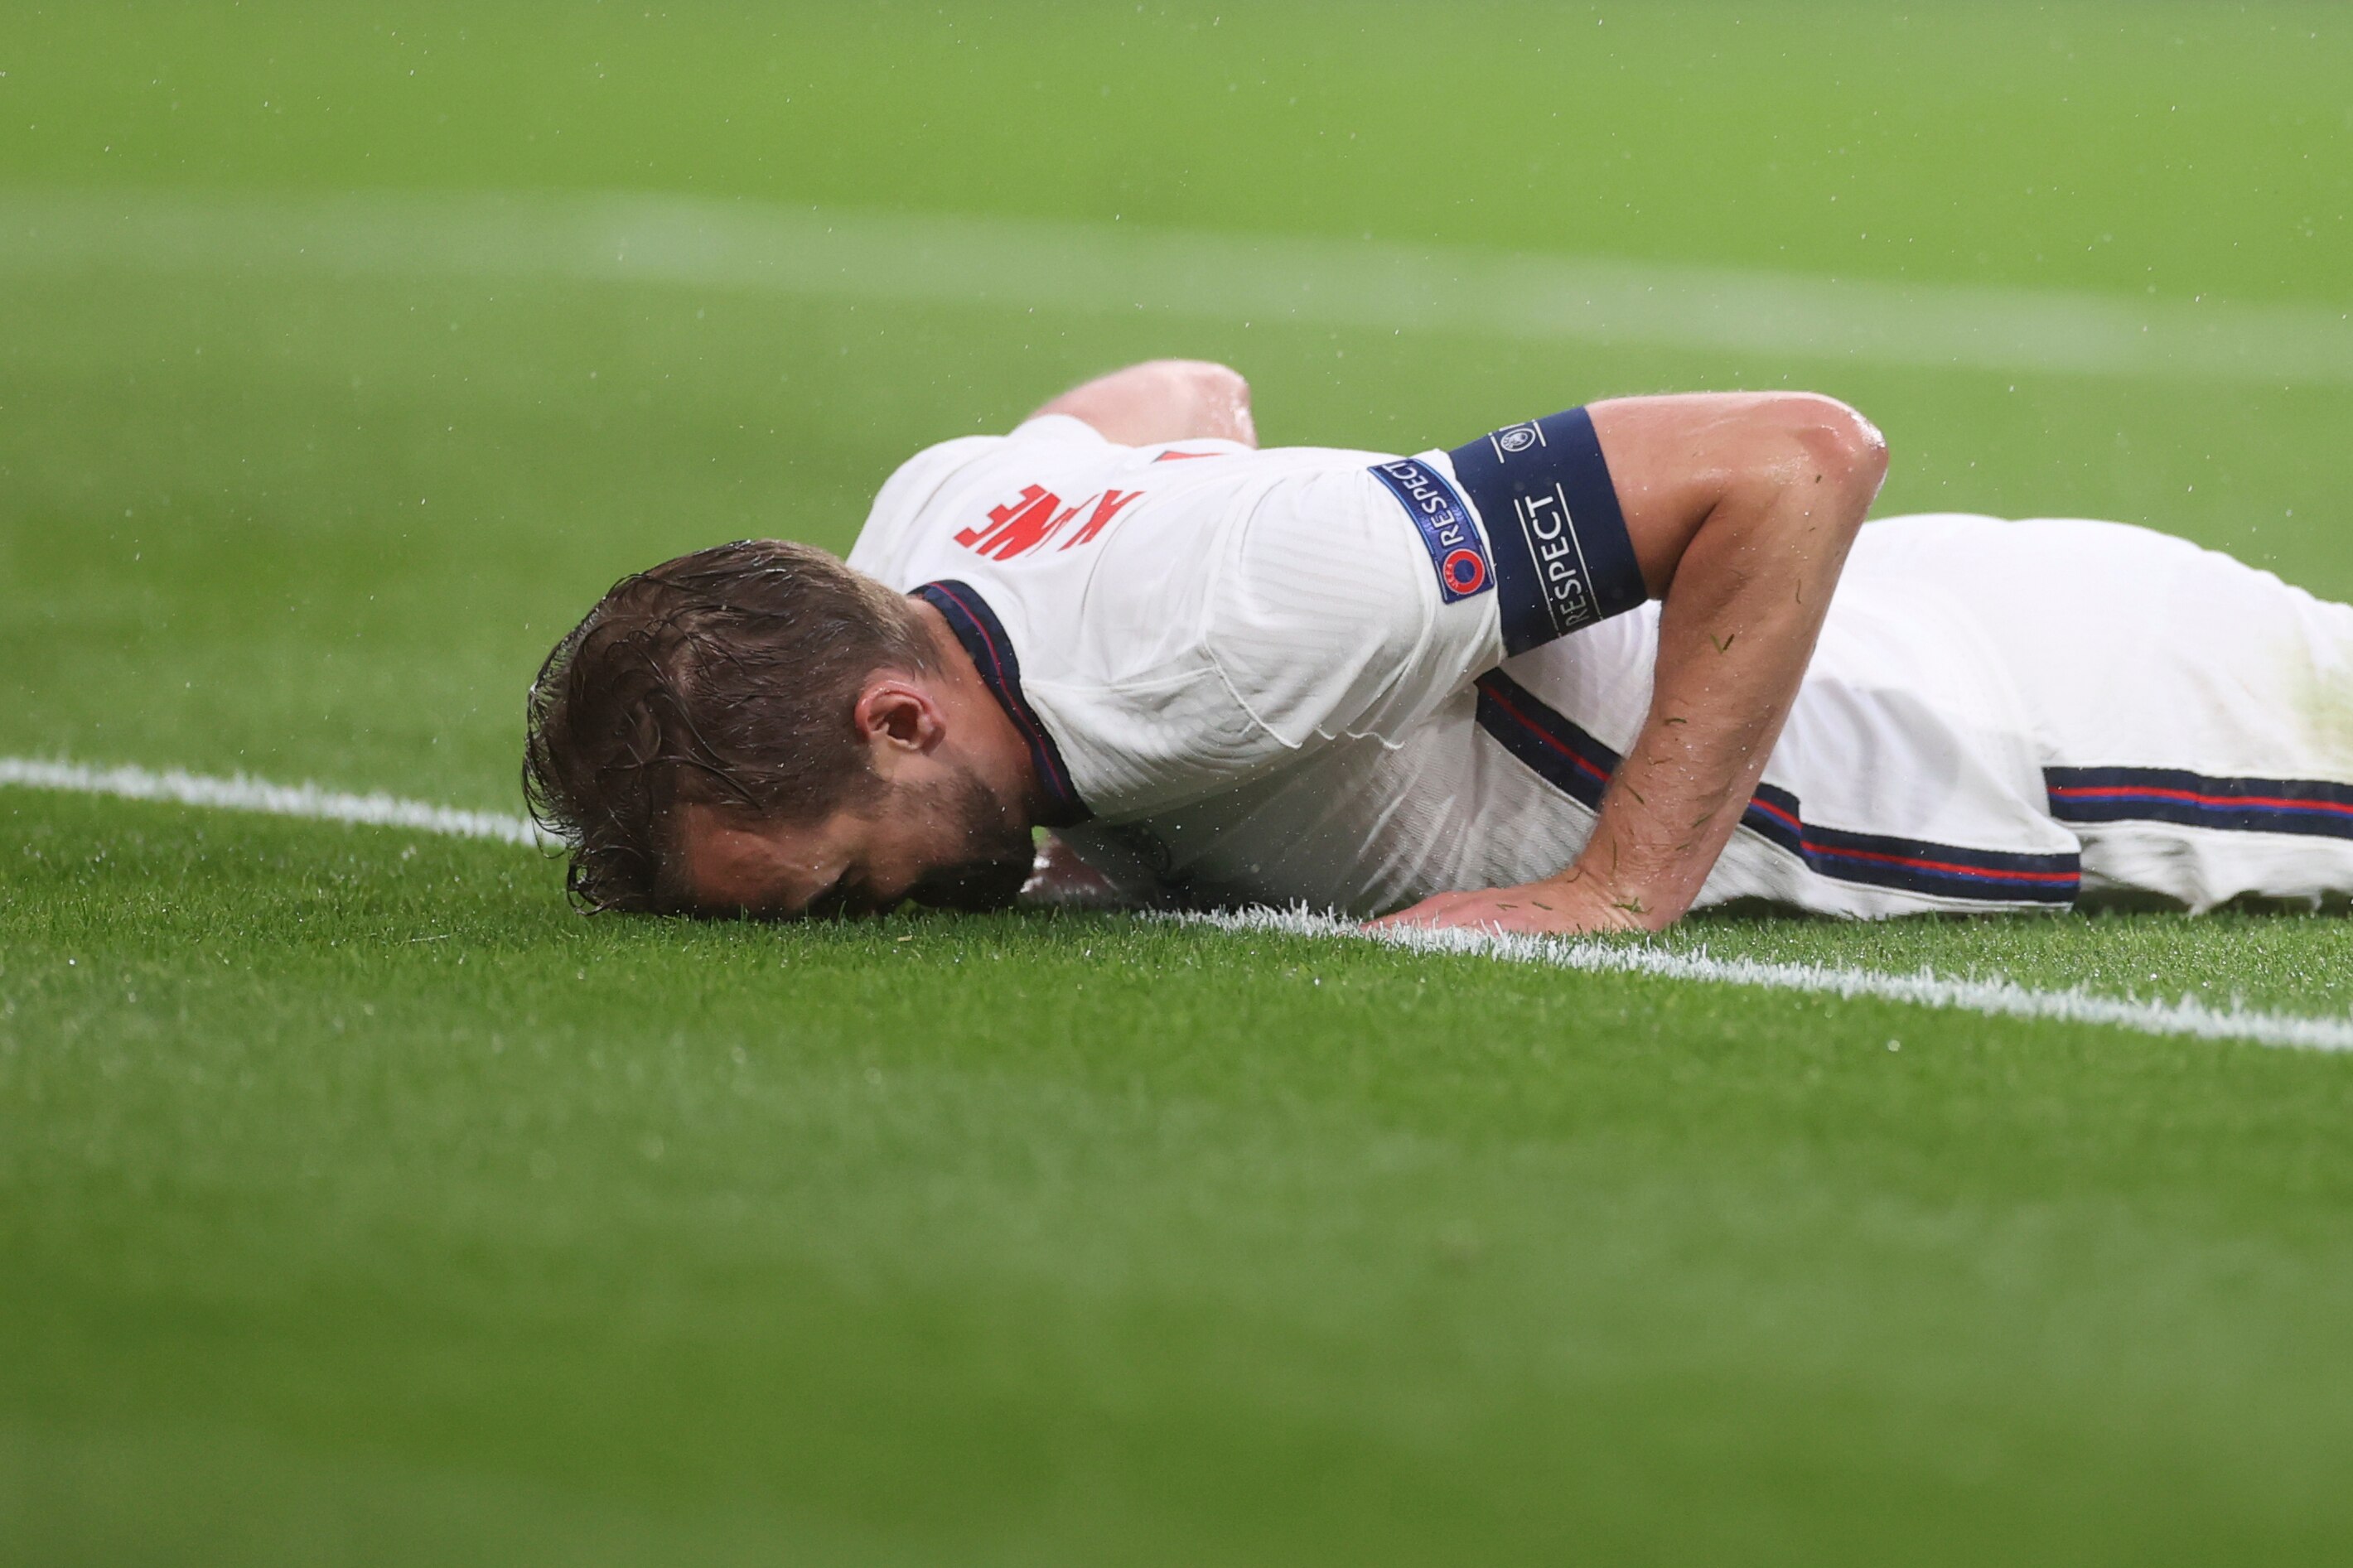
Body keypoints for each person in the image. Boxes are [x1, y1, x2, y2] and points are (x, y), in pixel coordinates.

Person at [522, 359, 2353, 934]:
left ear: (902, 712)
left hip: (2024, 725)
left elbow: (1797, 456)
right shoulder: (919, 537)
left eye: (848, 889)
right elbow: (1169, 399)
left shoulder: (1243, 622)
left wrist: (1621, 887)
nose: (886, 921)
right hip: (1933, 613)